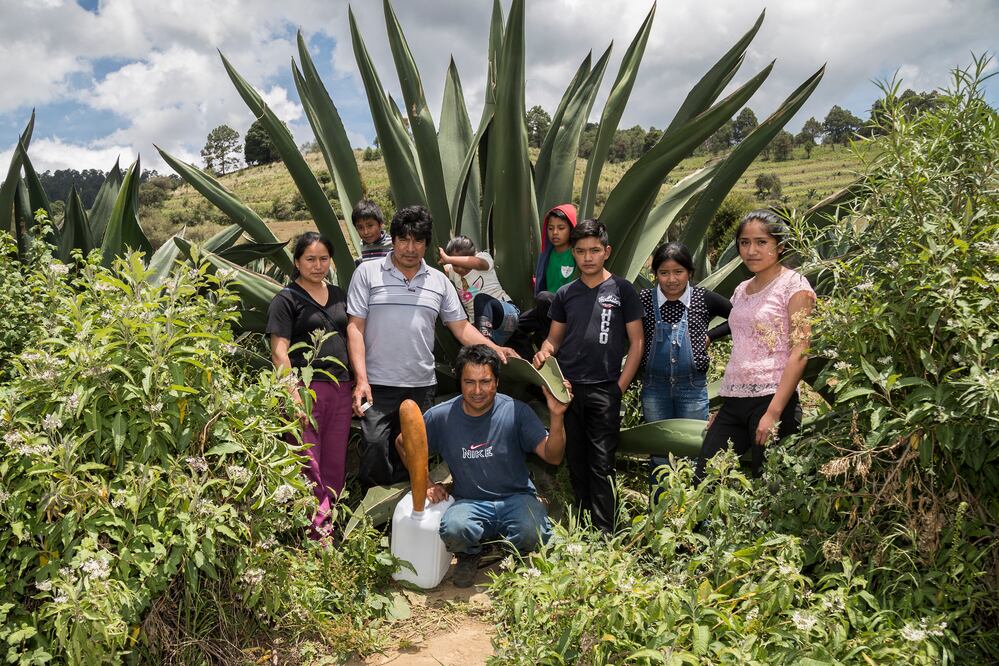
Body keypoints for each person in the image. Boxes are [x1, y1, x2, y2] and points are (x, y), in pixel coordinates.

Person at [347, 205, 519, 489]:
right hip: (377, 383)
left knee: (415, 451)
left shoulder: (438, 282)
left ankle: (407, 509)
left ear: (427, 244)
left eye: (418, 241)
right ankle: (374, 516)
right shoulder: (367, 273)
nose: (410, 248)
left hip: (421, 383)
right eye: (404, 239)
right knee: (375, 446)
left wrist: (495, 349)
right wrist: (361, 379)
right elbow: (355, 326)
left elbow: (461, 327)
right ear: (393, 239)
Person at [395, 345, 571, 587]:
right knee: (454, 527)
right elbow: (404, 443)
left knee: (533, 531)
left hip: (516, 497)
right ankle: (469, 553)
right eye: (469, 382)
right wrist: (426, 483)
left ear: (497, 382)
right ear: (460, 383)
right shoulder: (443, 416)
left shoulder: (515, 411)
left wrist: (557, 415)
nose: (477, 391)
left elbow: (553, 457)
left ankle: (513, 552)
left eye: (485, 381)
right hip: (470, 501)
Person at [532, 219, 644, 533]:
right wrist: (544, 351)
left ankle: (606, 531)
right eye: (581, 251)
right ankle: (584, 527)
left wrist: (619, 386)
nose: (588, 257)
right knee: (577, 461)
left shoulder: (622, 289)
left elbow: (636, 341)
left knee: (602, 462)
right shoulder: (566, 293)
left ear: (606, 251)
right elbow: (554, 339)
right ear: (574, 254)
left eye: (595, 250)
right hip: (569, 391)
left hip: (605, 389)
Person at [695, 210, 815, 484]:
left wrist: (773, 413)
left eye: (761, 242)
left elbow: (801, 350)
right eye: (744, 243)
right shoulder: (741, 289)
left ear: (780, 245)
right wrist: (726, 404)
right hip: (734, 402)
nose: (751, 250)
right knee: (704, 479)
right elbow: (744, 345)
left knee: (770, 486)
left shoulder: (794, 286)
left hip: (773, 399)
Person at [266, 232, 352, 537]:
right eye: (310, 259)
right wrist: (292, 393)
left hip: (341, 387)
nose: (318, 266)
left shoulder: (341, 295)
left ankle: (329, 526)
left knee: (334, 462)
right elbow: (279, 351)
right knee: (308, 462)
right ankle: (317, 536)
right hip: (306, 389)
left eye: (324, 259)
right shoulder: (285, 299)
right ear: (297, 262)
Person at [639, 242, 731, 499]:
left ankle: (692, 520)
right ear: (655, 274)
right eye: (664, 273)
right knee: (659, 457)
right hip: (654, 388)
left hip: (692, 388)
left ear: (689, 272)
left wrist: (712, 335)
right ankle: (660, 516)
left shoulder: (703, 298)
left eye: (678, 272)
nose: (671, 279)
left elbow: (738, 316)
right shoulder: (645, 300)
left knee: (693, 454)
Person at [438, 235, 520, 344]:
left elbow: (478, 263)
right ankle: (484, 343)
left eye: (462, 263)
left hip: (505, 316)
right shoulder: (453, 272)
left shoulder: (483, 258)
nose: (460, 268)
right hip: (482, 327)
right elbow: (439, 269)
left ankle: (483, 342)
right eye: (455, 265)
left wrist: (449, 259)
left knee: (480, 299)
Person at [520, 204, 578, 342]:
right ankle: (531, 351)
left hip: (566, 309)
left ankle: (550, 341)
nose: (555, 233)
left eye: (561, 228)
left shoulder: (576, 254)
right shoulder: (546, 254)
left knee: (543, 297)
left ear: (571, 229)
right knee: (515, 325)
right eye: (551, 228)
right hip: (546, 307)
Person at [351, 198, 393, 265]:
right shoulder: (363, 245)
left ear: (380, 224)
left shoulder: (392, 244)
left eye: (370, 226)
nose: (366, 232)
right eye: (360, 227)